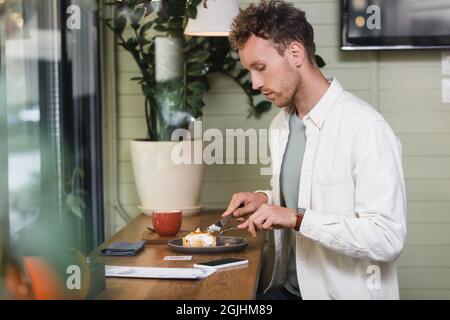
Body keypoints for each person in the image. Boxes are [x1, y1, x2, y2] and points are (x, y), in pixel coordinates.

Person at [222, 0, 406, 300]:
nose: (255, 83)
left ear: (295, 53)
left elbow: (388, 239)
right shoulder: (281, 126)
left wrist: (297, 219)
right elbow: (303, 194)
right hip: (288, 289)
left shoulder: (367, 129)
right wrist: (264, 199)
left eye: (260, 68)